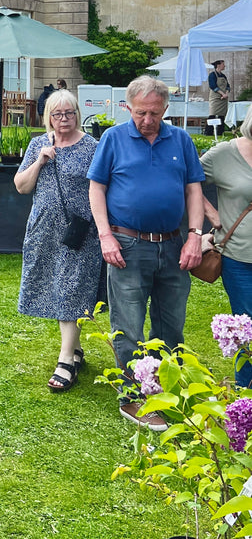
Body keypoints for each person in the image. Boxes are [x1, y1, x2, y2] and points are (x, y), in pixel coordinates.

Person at [87, 75, 205, 431]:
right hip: (127, 244)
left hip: (173, 244)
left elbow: (193, 190)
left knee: (171, 324)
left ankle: (166, 391)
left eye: (155, 113)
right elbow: (96, 188)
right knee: (128, 325)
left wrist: (195, 236)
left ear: (166, 109)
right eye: (140, 113)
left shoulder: (180, 140)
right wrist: (105, 236)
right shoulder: (113, 138)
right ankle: (133, 397)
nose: (147, 120)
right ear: (128, 108)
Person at [15, 90, 102, 392]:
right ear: (48, 117)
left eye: (70, 113)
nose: (64, 119)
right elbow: (21, 187)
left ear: (77, 114)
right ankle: (75, 349)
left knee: (71, 288)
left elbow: (104, 187)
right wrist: (39, 162)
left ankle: (66, 360)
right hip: (43, 230)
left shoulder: (92, 146)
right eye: (57, 114)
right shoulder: (38, 144)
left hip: (80, 232)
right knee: (55, 286)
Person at [201, 111, 252, 385]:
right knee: (247, 330)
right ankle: (246, 396)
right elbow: (188, 181)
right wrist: (210, 212)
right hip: (240, 258)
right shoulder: (224, 154)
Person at [209, 59, 231, 125]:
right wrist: (222, 94)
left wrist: (226, 94)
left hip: (223, 98)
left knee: (222, 115)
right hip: (215, 98)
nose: (224, 66)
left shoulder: (223, 76)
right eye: (223, 64)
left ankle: (220, 131)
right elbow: (213, 86)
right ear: (218, 65)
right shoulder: (212, 75)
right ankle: (209, 131)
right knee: (212, 114)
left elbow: (228, 86)